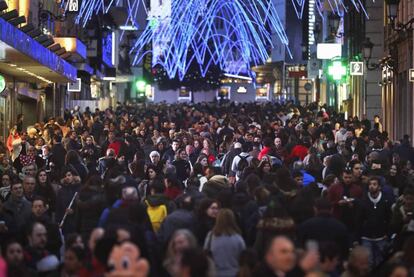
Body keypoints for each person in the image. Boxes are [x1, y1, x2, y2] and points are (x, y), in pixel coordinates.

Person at [204, 208, 245, 277]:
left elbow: (205, 252)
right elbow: (243, 256)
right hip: (234, 273)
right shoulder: (238, 238)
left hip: (215, 273)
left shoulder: (211, 236)